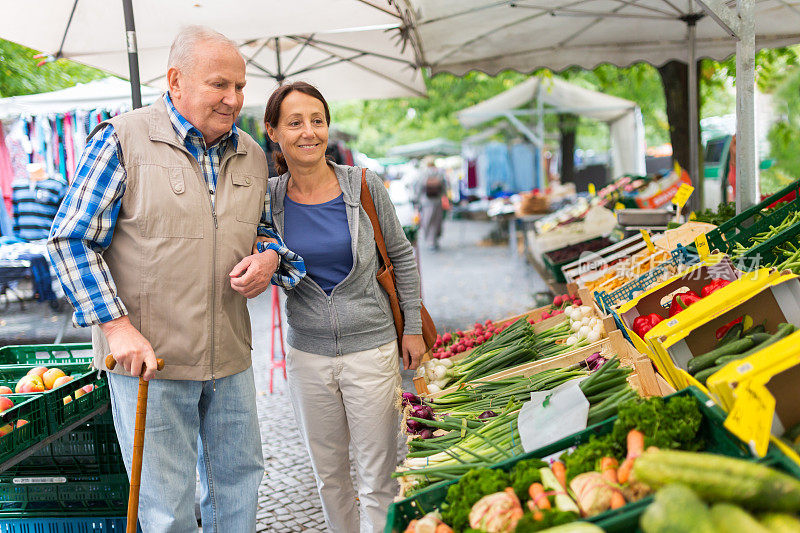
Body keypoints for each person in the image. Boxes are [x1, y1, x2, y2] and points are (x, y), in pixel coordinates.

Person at [48, 26, 304, 532]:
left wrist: (270, 258)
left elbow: (265, 231)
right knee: (166, 509)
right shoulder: (121, 138)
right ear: (175, 80)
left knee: (239, 488)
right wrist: (117, 328)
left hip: (229, 356)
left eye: (240, 86)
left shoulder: (251, 152)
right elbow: (70, 240)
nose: (233, 99)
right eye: (219, 86)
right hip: (150, 362)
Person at [260, 81, 426, 533]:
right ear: (273, 132)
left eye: (317, 120)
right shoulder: (266, 200)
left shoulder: (364, 187)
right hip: (308, 357)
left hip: (371, 351)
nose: (308, 131)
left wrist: (411, 326)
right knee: (329, 478)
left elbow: (403, 255)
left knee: (378, 478)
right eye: (294, 122)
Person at [416, 157, 448, 250]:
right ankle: (434, 240)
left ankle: (429, 240)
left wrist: (417, 200)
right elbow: (444, 187)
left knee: (427, 221)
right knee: (437, 221)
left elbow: (418, 187)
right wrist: (445, 197)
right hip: (437, 200)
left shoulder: (423, 173)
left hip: (426, 201)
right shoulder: (440, 173)